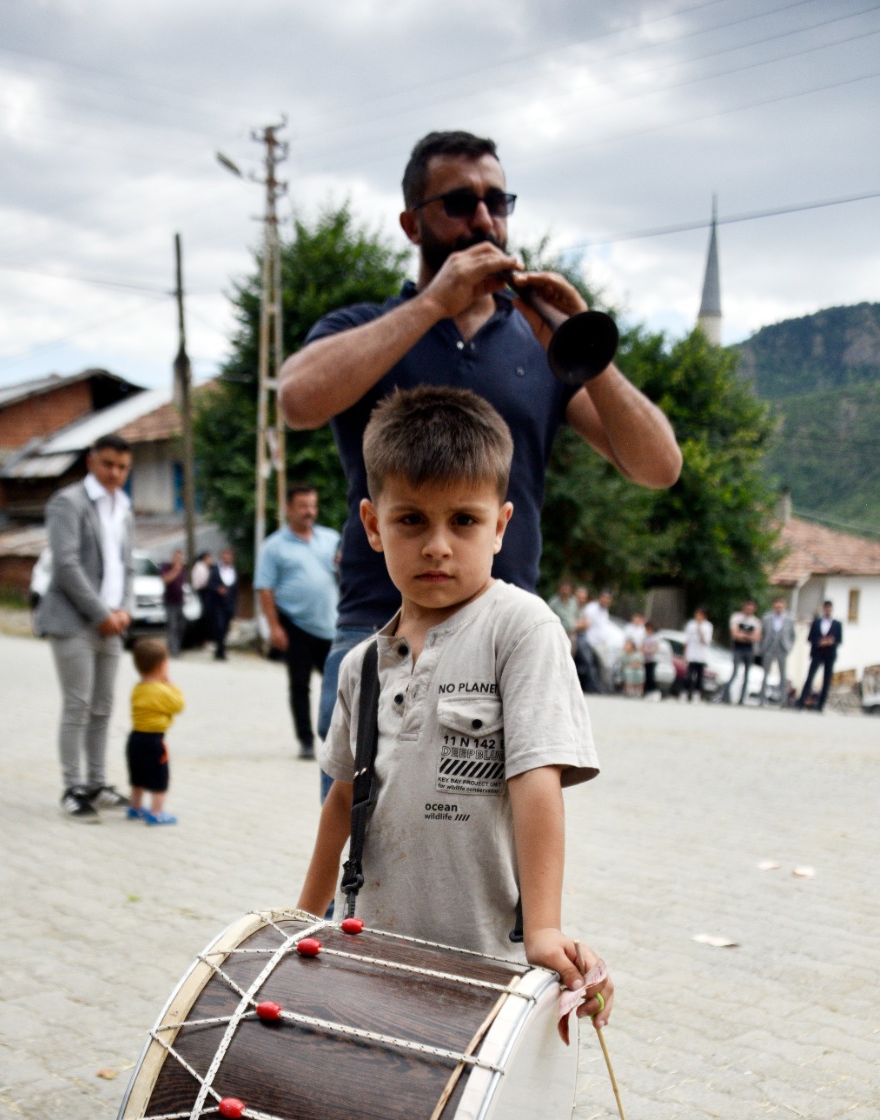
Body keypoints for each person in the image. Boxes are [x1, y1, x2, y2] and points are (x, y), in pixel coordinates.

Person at [297, 386, 612, 1120]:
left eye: (463, 521)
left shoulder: (519, 629)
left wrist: (542, 930)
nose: (437, 546)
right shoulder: (358, 664)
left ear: (500, 522)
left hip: (485, 954)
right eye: (411, 521)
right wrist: (302, 925)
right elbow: (340, 798)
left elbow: (535, 782)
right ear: (370, 524)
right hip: (382, 951)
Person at [278, 129, 681, 786]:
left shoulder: (539, 343)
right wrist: (434, 301)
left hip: (504, 636)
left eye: (498, 201)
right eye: (459, 202)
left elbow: (658, 467)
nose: (485, 220)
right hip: (378, 631)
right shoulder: (366, 326)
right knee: (360, 861)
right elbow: (296, 398)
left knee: (490, 865)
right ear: (412, 223)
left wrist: (581, 342)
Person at [35, 433, 134, 821]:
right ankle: (72, 786)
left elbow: (127, 564)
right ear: (92, 461)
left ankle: (96, 782)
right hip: (73, 620)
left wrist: (124, 609)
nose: (115, 473)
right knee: (78, 704)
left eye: (123, 467)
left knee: (103, 707)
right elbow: (66, 564)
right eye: (109, 464)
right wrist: (101, 613)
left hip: (112, 621)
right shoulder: (68, 502)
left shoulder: (122, 506)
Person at [254, 485, 340, 758]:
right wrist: (274, 627)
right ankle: (305, 741)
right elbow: (264, 588)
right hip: (295, 625)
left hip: (332, 625)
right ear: (289, 508)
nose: (309, 512)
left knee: (340, 685)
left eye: (313, 505)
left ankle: (338, 739)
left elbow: (344, 573)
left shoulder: (331, 539)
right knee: (300, 685)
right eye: (303, 506)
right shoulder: (273, 546)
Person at [125, 636, 185, 825]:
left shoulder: (138, 688)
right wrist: (171, 685)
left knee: (138, 777)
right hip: (154, 741)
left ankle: (134, 807)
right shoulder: (161, 690)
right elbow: (179, 705)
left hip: (135, 739)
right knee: (160, 777)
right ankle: (156, 812)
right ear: (161, 666)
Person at [797, 600, 842, 711]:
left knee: (826, 680)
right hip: (817, 653)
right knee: (810, 676)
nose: (827, 610)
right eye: (826, 608)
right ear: (823, 609)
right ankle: (802, 701)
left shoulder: (837, 624)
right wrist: (819, 642)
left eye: (829, 608)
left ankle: (821, 705)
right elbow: (810, 638)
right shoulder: (817, 622)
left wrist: (831, 642)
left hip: (830, 654)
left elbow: (839, 639)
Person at [759, 596, 796, 705]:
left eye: (780, 604)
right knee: (765, 673)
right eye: (776, 604)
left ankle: (783, 700)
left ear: (784, 605)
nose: (778, 606)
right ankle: (762, 698)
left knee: (783, 675)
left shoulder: (789, 619)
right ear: (773, 605)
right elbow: (762, 633)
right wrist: (762, 647)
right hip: (769, 648)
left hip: (782, 648)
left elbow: (793, 636)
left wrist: (788, 647)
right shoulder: (767, 618)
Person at [725, 599, 762, 705]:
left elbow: (757, 637)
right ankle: (725, 696)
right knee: (735, 672)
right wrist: (748, 636)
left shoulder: (756, 621)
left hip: (749, 649)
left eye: (752, 607)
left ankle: (742, 699)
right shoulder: (736, 617)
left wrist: (743, 635)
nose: (749, 609)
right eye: (747, 606)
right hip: (737, 648)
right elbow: (735, 634)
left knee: (747, 675)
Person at [206, 549, 238, 661]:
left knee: (225, 627)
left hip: (229, 605)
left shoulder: (235, 571)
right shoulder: (215, 571)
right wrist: (218, 589)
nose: (226, 558)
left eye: (228, 556)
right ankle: (221, 651)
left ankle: (220, 649)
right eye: (225, 556)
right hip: (217, 604)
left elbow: (235, 590)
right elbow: (210, 585)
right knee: (219, 626)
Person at [160, 550, 186, 659]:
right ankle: (173, 652)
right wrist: (175, 571)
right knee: (172, 626)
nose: (178, 560)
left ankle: (176, 648)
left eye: (180, 558)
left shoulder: (182, 570)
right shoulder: (167, 567)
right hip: (170, 601)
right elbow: (166, 580)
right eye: (176, 557)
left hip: (180, 601)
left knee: (180, 626)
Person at [684, 607, 712, 702]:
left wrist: (700, 629)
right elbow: (686, 640)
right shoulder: (690, 625)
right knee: (689, 675)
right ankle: (686, 692)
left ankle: (697, 693)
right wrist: (685, 654)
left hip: (701, 655)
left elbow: (706, 641)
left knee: (699, 676)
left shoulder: (708, 626)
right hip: (691, 654)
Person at [547, 578, 579, 644]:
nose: (565, 591)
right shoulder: (553, 602)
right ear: (559, 589)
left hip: (572, 634)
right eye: (563, 589)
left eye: (567, 589)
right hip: (558, 634)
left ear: (570, 590)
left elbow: (577, 617)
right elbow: (548, 619)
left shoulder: (574, 602)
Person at [642, 619, 662, 699]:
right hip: (646, 659)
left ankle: (654, 691)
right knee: (646, 676)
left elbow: (657, 648)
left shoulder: (656, 637)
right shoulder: (645, 637)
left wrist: (649, 650)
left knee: (651, 675)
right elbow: (642, 646)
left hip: (653, 659)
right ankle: (647, 691)